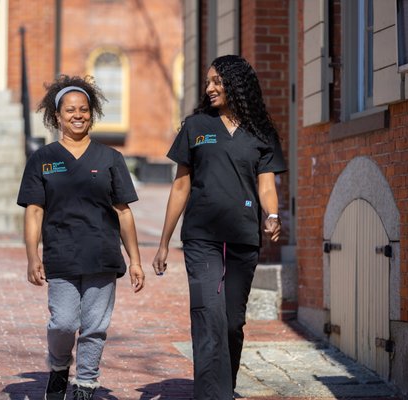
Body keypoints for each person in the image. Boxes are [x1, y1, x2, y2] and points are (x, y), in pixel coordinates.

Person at [152, 55, 286, 399]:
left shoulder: (260, 132)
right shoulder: (195, 127)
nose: (209, 88)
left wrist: (272, 215)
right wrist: (165, 242)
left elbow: (267, 185)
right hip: (201, 237)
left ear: (236, 85)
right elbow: (181, 186)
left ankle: (224, 385)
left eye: (217, 82)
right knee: (208, 315)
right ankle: (213, 395)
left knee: (231, 323)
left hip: (243, 236)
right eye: (208, 82)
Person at [16, 75, 145, 400]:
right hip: (61, 256)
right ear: (57, 116)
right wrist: (33, 256)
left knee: (95, 326)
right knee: (63, 322)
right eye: (70, 110)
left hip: (103, 257)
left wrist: (136, 261)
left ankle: (86, 384)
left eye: (84, 109)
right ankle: (60, 366)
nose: (78, 115)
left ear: (92, 113)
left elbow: (124, 212)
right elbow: (33, 212)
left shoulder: (110, 159)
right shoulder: (43, 159)